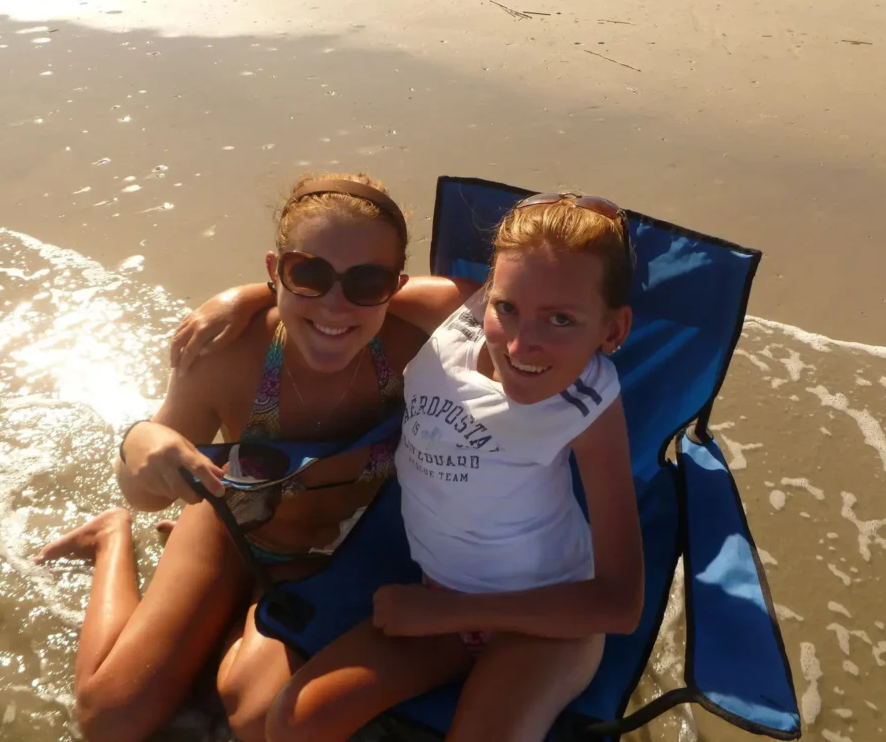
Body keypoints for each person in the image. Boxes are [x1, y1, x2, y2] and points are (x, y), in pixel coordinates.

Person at [176, 191, 646, 742]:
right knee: (294, 723)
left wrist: (442, 615)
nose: (522, 343)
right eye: (508, 307)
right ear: (487, 294)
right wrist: (245, 297)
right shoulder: (454, 317)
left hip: (546, 620)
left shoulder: (588, 404)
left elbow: (618, 604)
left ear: (613, 330)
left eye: (562, 319)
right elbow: (346, 292)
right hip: (438, 596)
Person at [32, 173, 431, 742]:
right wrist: (142, 443)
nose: (335, 305)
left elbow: (520, 300)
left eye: (367, 281)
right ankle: (107, 538)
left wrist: (244, 293)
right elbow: (144, 492)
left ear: (398, 285)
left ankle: (236, 611)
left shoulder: (420, 349)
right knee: (111, 721)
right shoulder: (227, 353)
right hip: (230, 525)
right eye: (308, 274)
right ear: (277, 271)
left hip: (338, 554)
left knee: (255, 715)